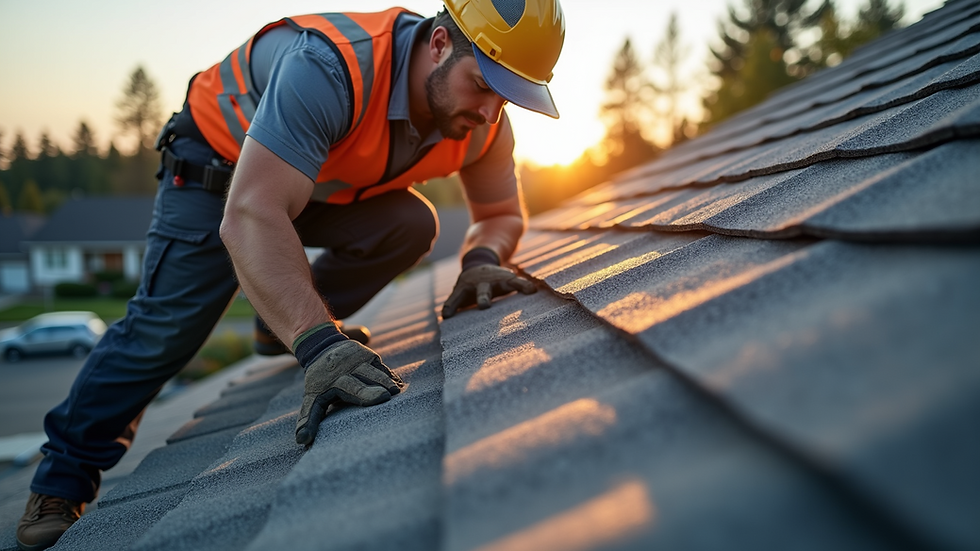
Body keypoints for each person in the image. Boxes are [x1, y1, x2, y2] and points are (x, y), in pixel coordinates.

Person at [15, 1, 564, 549]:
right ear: (440, 44)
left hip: (313, 182)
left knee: (409, 223)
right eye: (484, 85)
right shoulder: (332, 66)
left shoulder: (482, 125)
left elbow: (500, 215)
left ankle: (269, 325)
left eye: (509, 95)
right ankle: (61, 480)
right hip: (221, 172)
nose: (492, 114)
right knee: (166, 329)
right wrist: (318, 341)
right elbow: (252, 212)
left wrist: (482, 260)